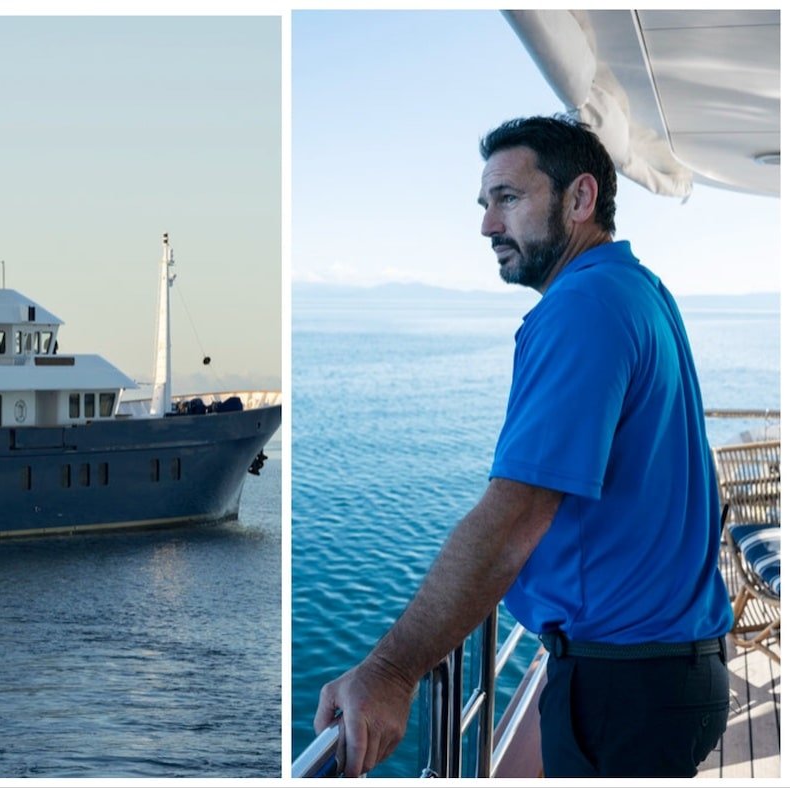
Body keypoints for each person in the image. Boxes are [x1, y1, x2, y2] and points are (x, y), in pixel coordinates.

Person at [313, 115, 732, 778]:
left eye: (507, 198)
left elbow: (512, 522)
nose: (487, 226)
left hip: (624, 688)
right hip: (675, 670)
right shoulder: (641, 291)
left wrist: (391, 672)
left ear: (580, 199)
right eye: (485, 205)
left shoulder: (583, 306)